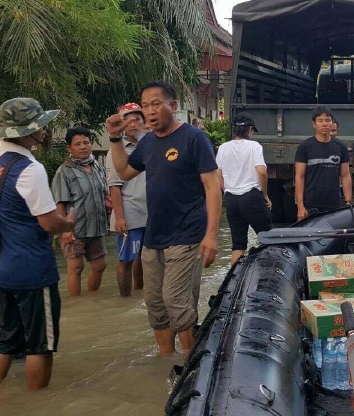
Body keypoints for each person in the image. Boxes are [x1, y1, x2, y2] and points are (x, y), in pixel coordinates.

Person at [106, 80, 221, 357]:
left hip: (188, 233)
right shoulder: (147, 144)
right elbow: (123, 172)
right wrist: (114, 138)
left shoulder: (194, 138)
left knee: (176, 300)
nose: (150, 111)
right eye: (145, 106)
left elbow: (212, 186)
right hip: (154, 234)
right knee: (155, 302)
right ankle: (166, 361)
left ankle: (189, 362)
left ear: (173, 105)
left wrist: (212, 235)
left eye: (156, 104)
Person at [0, 98, 75, 391]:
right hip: (31, 270)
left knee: (6, 339)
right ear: (27, 132)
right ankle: (37, 403)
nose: (45, 131)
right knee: (40, 344)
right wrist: (69, 223)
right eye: (41, 126)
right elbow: (49, 223)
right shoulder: (30, 169)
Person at [50, 127, 109, 297]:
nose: (83, 147)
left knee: (100, 266)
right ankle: (78, 304)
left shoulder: (97, 166)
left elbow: (104, 192)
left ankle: (91, 300)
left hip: (96, 226)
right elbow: (60, 203)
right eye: (77, 144)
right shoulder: (64, 171)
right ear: (69, 148)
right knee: (76, 267)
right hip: (74, 229)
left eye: (86, 142)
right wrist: (65, 231)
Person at [216, 112, 273, 264]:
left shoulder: (223, 148)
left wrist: (227, 190)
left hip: (231, 199)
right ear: (250, 130)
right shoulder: (254, 146)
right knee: (268, 239)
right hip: (251, 197)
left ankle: (232, 282)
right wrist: (265, 195)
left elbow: (219, 174)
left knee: (238, 244)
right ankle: (266, 277)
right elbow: (262, 172)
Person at [106, 103, 148, 297]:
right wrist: (120, 218)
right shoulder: (117, 150)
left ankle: (139, 294)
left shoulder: (151, 146)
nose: (132, 124)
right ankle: (125, 299)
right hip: (129, 213)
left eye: (137, 119)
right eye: (128, 121)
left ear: (144, 121)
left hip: (150, 213)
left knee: (143, 258)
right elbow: (114, 186)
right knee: (126, 259)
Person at [294, 106, 352, 220]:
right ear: (314, 124)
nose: (324, 124)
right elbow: (299, 177)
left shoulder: (340, 147)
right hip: (310, 203)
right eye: (320, 121)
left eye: (328, 120)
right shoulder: (305, 146)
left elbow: (345, 176)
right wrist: (300, 206)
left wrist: (348, 201)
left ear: (332, 123)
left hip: (333, 203)